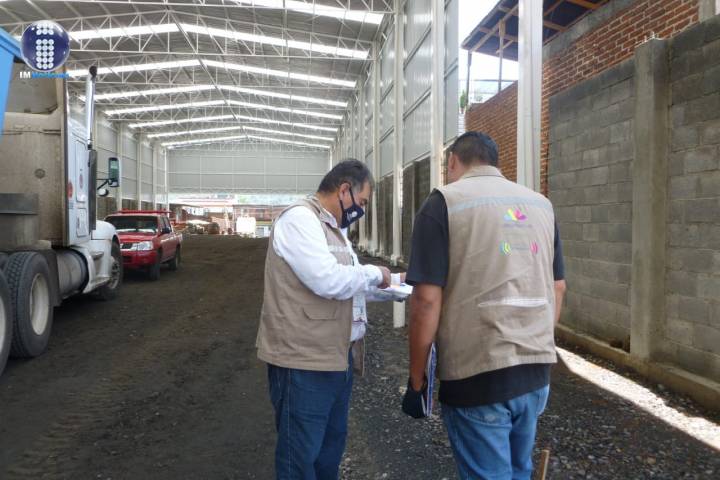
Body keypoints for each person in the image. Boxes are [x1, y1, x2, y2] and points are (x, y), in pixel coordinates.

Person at [401, 131, 567, 480]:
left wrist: (417, 380)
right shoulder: (541, 205)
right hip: (536, 373)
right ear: (494, 162)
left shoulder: (443, 203)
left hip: (478, 376)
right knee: (519, 470)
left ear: (452, 162)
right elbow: (558, 287)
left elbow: (426, 301)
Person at [256, 159, 393, 480]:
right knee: (300, 457)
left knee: (329, 452)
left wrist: (395, 288)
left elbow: (349, 286)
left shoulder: (335, 229)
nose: (362, 210)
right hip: (303, 361)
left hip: (335, 358)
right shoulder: (300, 219)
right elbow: (328, 280)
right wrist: (376, 273)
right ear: (344, 190)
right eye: (362, 202)